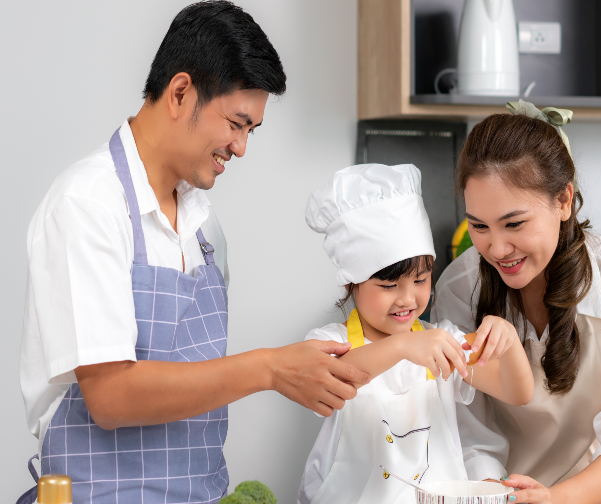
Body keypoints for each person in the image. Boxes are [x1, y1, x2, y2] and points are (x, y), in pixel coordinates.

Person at [18, 2, 369, 502]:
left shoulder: (207, 229)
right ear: (181, 92)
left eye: (252, 130)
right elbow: (110, 397)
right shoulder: (89, 205)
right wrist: (270, 369)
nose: (242, 147)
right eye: (236, 122)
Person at [430, 101, 601, 504]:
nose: (497, 248)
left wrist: (557, 499)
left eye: (514, 223)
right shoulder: (460, 290)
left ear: (563, 200)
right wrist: (495, 493)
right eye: (479, 226)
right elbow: (470, 433)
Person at [297, 163, 534, 504]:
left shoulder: (442, 342)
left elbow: (517, 392)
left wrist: (509, 343)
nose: (408, 299)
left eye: (421, 281)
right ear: (352, 282)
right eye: (389, 285)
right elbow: (334, 375)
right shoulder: (330, 342)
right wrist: (403, 346)